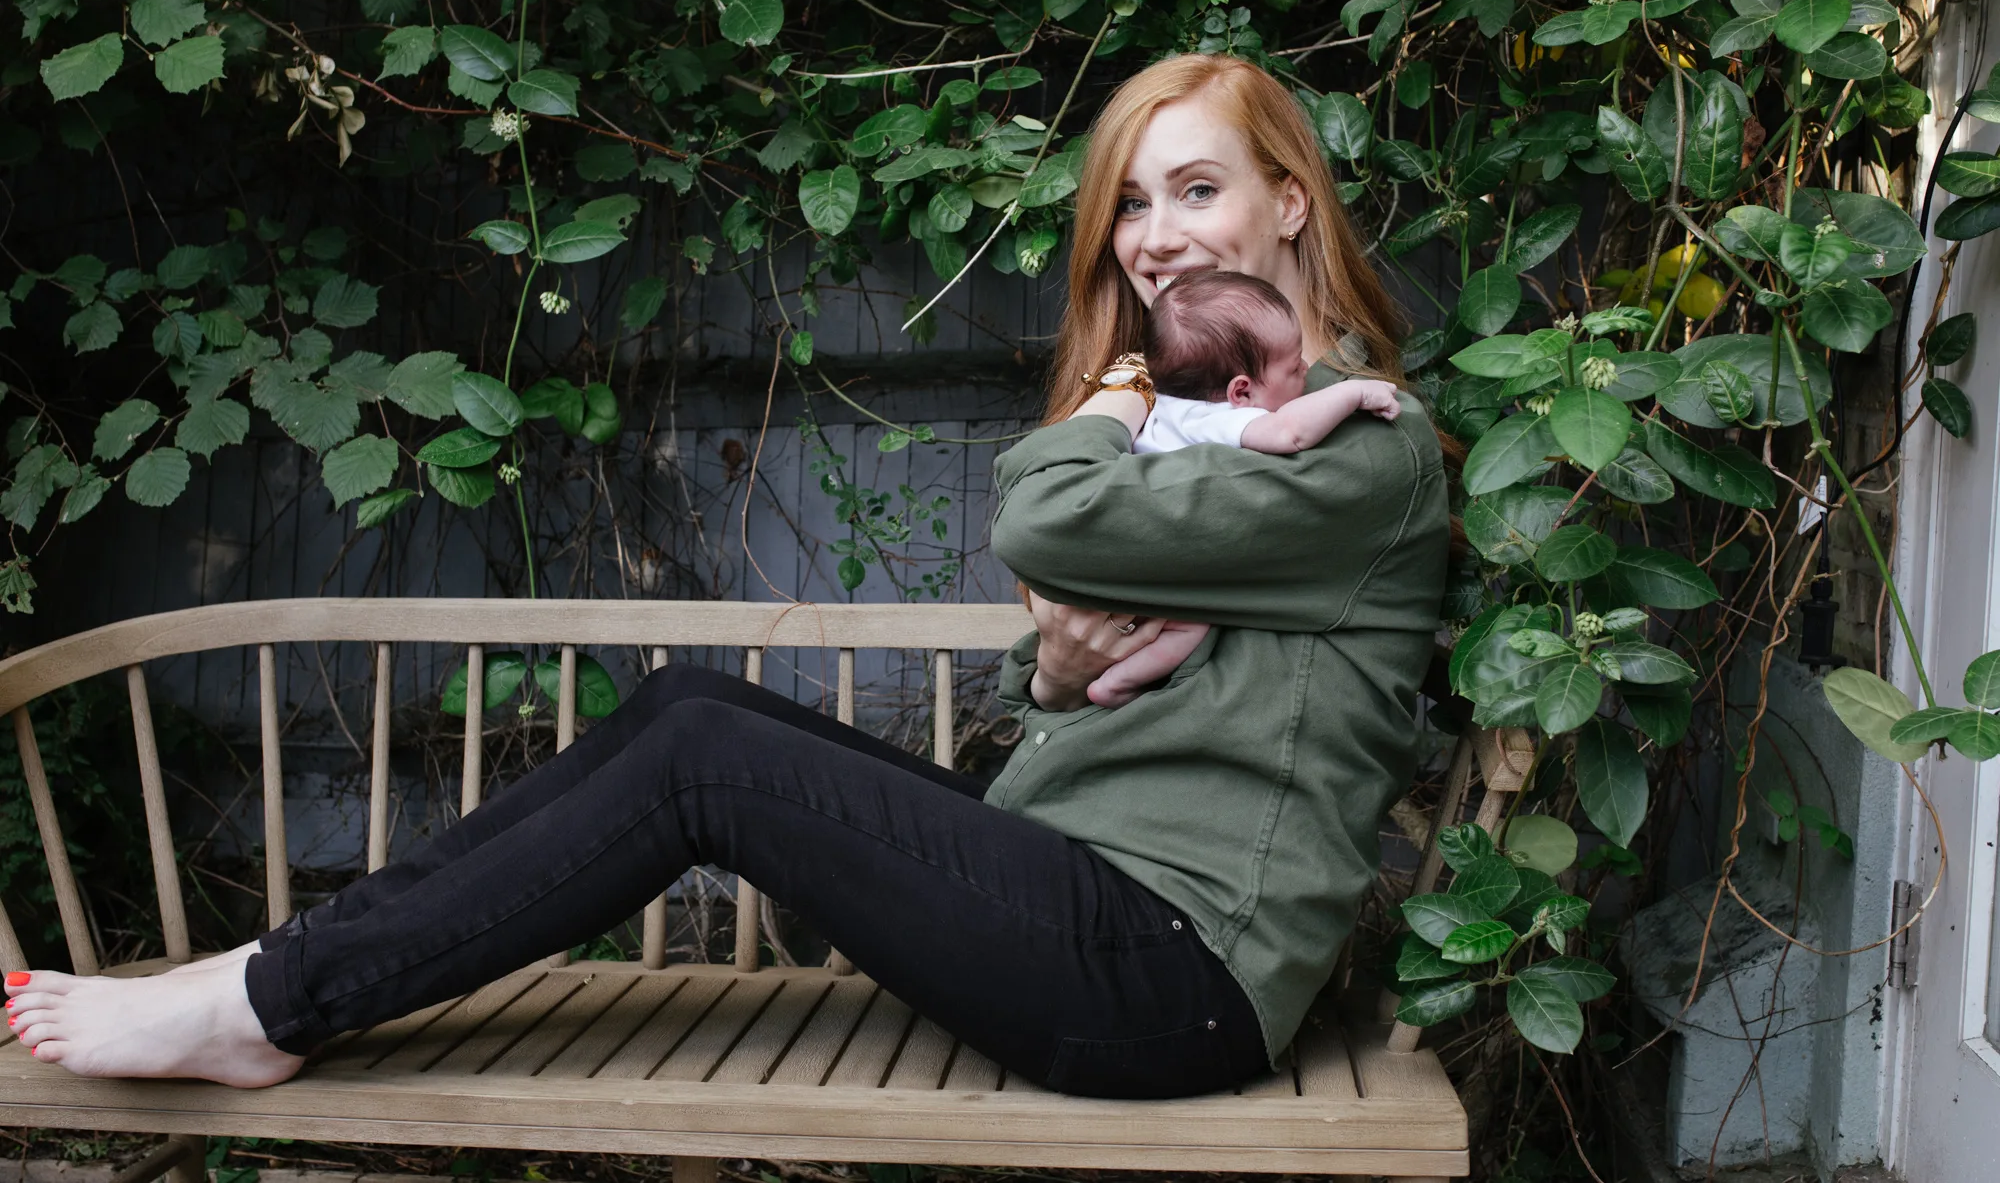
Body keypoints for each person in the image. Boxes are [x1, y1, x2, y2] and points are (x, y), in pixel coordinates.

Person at [4, 53, 1449, 1100]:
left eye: (1196, 189)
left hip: (1171, 973)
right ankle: (278, 977)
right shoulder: (1222, 432)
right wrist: (1056, 677)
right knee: (688, 704)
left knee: (704, 758)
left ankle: (269, 1004)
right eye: (1129, 205)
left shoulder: (1353, 443)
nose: (1153, 237)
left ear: (1291, 204)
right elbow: (1087, 657)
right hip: (1075, 887)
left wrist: (1115, 391)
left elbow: (1046, 522)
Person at [1084, 269, 1403, 708]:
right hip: (1164, 555)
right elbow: (1289, 432)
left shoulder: (1163, 407)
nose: (1305, 369)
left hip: (1128, 549)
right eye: (1293, 365)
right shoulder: (1218, 419)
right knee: (1191, 625)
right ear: (1241, 391)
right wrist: (1354, 395)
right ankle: (1118, 683)